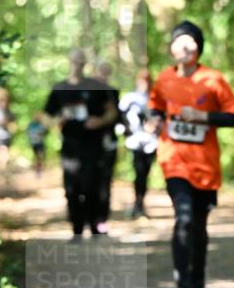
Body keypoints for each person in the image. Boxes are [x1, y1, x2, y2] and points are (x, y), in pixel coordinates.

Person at [148, 20, 234, 288]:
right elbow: (155, 107)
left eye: (191, 41)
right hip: (173, 161)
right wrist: (154, 120)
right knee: (184, 219)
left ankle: (197, 280)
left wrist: (202, 117)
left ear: (199, 48)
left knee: (198, 228)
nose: (185, 46)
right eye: (179, 41)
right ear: (172, 47)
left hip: (205, 166)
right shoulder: (164, 78)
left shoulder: (212, 79)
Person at [44, 48, 118, 239]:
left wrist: (99, 121)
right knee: (72, 189)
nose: (77, 65)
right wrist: (55, 122)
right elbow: (45, 115)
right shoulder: (60, 88)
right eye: (74, 61)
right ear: (68, 62)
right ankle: (76, 230)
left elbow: (112, 112)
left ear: (85, 64)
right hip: (70, 147)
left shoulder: (95, 87)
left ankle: (94, 226)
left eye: (80, 62)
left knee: (91, 186)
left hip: (93, 147)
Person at [118, 69, 158, 218]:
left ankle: (140, 203)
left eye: (147, 81)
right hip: (135, 142)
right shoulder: (129, 99)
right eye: (142, 81)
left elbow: (162, 118)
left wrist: (154, 126)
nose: (144, 84)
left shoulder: (155, 99)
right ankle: (137, 204)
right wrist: (126, 132)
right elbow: (120, 118)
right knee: (138, 171)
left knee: (145, 173)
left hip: (151, 143)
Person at [92, 59, 120, 233]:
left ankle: (101, 219)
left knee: (105, 182)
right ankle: (89, 217)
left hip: (108, 143)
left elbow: (118, 116)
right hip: (88, 146)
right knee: (89, 182)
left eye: (106, 72)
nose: (103, 75)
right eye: (101, 71)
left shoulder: (112, 93)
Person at [0, 87, 16, 169]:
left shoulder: (10, 113)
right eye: (1, 100)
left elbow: (13, 127)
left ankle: (3, 170)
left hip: (5, 137)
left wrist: (7, 124)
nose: (3, 102)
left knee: (4, 153)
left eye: (4, 100)